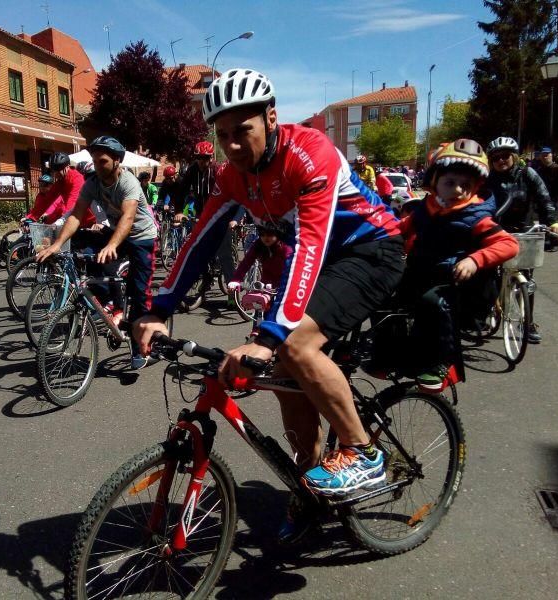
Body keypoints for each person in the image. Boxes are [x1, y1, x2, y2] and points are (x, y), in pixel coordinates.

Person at [133, 68, 404, 541]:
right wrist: (159, 307)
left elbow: (310, 248)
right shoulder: (232, 176)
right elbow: (200, 240)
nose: (232, 145)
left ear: (272, 118)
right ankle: (309, 481)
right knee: (282, 378)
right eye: (222, 135)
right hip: (317, 260)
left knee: (294, 347)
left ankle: (363, 450)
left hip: (369, 250)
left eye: (243, 131)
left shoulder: (309, 154)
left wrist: (268, 337)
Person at [398, 139, 518, 389]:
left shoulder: (476, 216)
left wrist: (475, 260)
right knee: (389, 298)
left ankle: (445, 365)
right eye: (450, 183)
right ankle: (390, 355)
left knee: (433, 303)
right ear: (435, 182)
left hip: (456, 284)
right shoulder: (424, 209)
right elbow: (399, 230)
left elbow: (509, 245)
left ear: (475, 188)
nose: (458, 190)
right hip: (422, 272)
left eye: (466, 185)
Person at [36, 135, 158, 370]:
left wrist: (112, 245)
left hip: (142, 237)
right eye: (95, 160)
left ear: (116, 160)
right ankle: (112, 301)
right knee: (85, 246)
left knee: (140, 291)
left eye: (102, 161)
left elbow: (128, 217)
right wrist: (56, 244)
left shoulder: (128, 182)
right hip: (115, 232)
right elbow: (76, 215)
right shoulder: (92, 183)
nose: (98, 165)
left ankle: (143, 346)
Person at [483, 136, 558, 343]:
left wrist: (553, 221)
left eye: (505, 156)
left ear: (514, 156)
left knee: (526, 280)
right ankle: (488, 309)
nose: (501, 161)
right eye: (496, 158)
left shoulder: (528, 174)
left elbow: (545, 199)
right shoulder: (487, 180)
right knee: (488, 275)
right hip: (495, 232)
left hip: (523, 231)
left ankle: (527, 322)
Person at [182, 140, 242, 282]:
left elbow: (237, 196)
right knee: (196, 251)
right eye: (200, 158)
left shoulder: (219, 171)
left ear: (211, 157)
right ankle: (205, 279)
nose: (203, 162)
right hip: (202, 216)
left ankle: (231, 293)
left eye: (206, 158)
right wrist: (179, 210)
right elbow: (182, 190)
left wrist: (235, 218)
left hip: (222, 215)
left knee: (224, 254)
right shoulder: (192, 170)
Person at [227, 221, 293, 292]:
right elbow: (245, 263)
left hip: (287, 284)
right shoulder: (259, 245)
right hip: (266, 284)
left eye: (270, 234)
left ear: (277, 234)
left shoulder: (286, 248)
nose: (265, 237)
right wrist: (236, 280)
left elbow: (292, 270)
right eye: (262, 234)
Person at [25, 153, 84, 223]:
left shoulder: (77, 179)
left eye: (58, 170)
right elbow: (47, 200)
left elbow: (71, 205)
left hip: (86, 220)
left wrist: (59, 222)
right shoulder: (61, 181)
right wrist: (31, 217)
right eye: (53, 171)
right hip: (72, 218)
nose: (55, 174)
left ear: (67, 166)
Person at [535, 147, 558, 214]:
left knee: (554, 219)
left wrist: (556, 196)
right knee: (543, 220)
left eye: (546, 155)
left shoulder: (557, 168)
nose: (545, 157)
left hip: (553, 198)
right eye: (543, 156)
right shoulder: (539, 170)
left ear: (551, 156)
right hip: (542, 199)